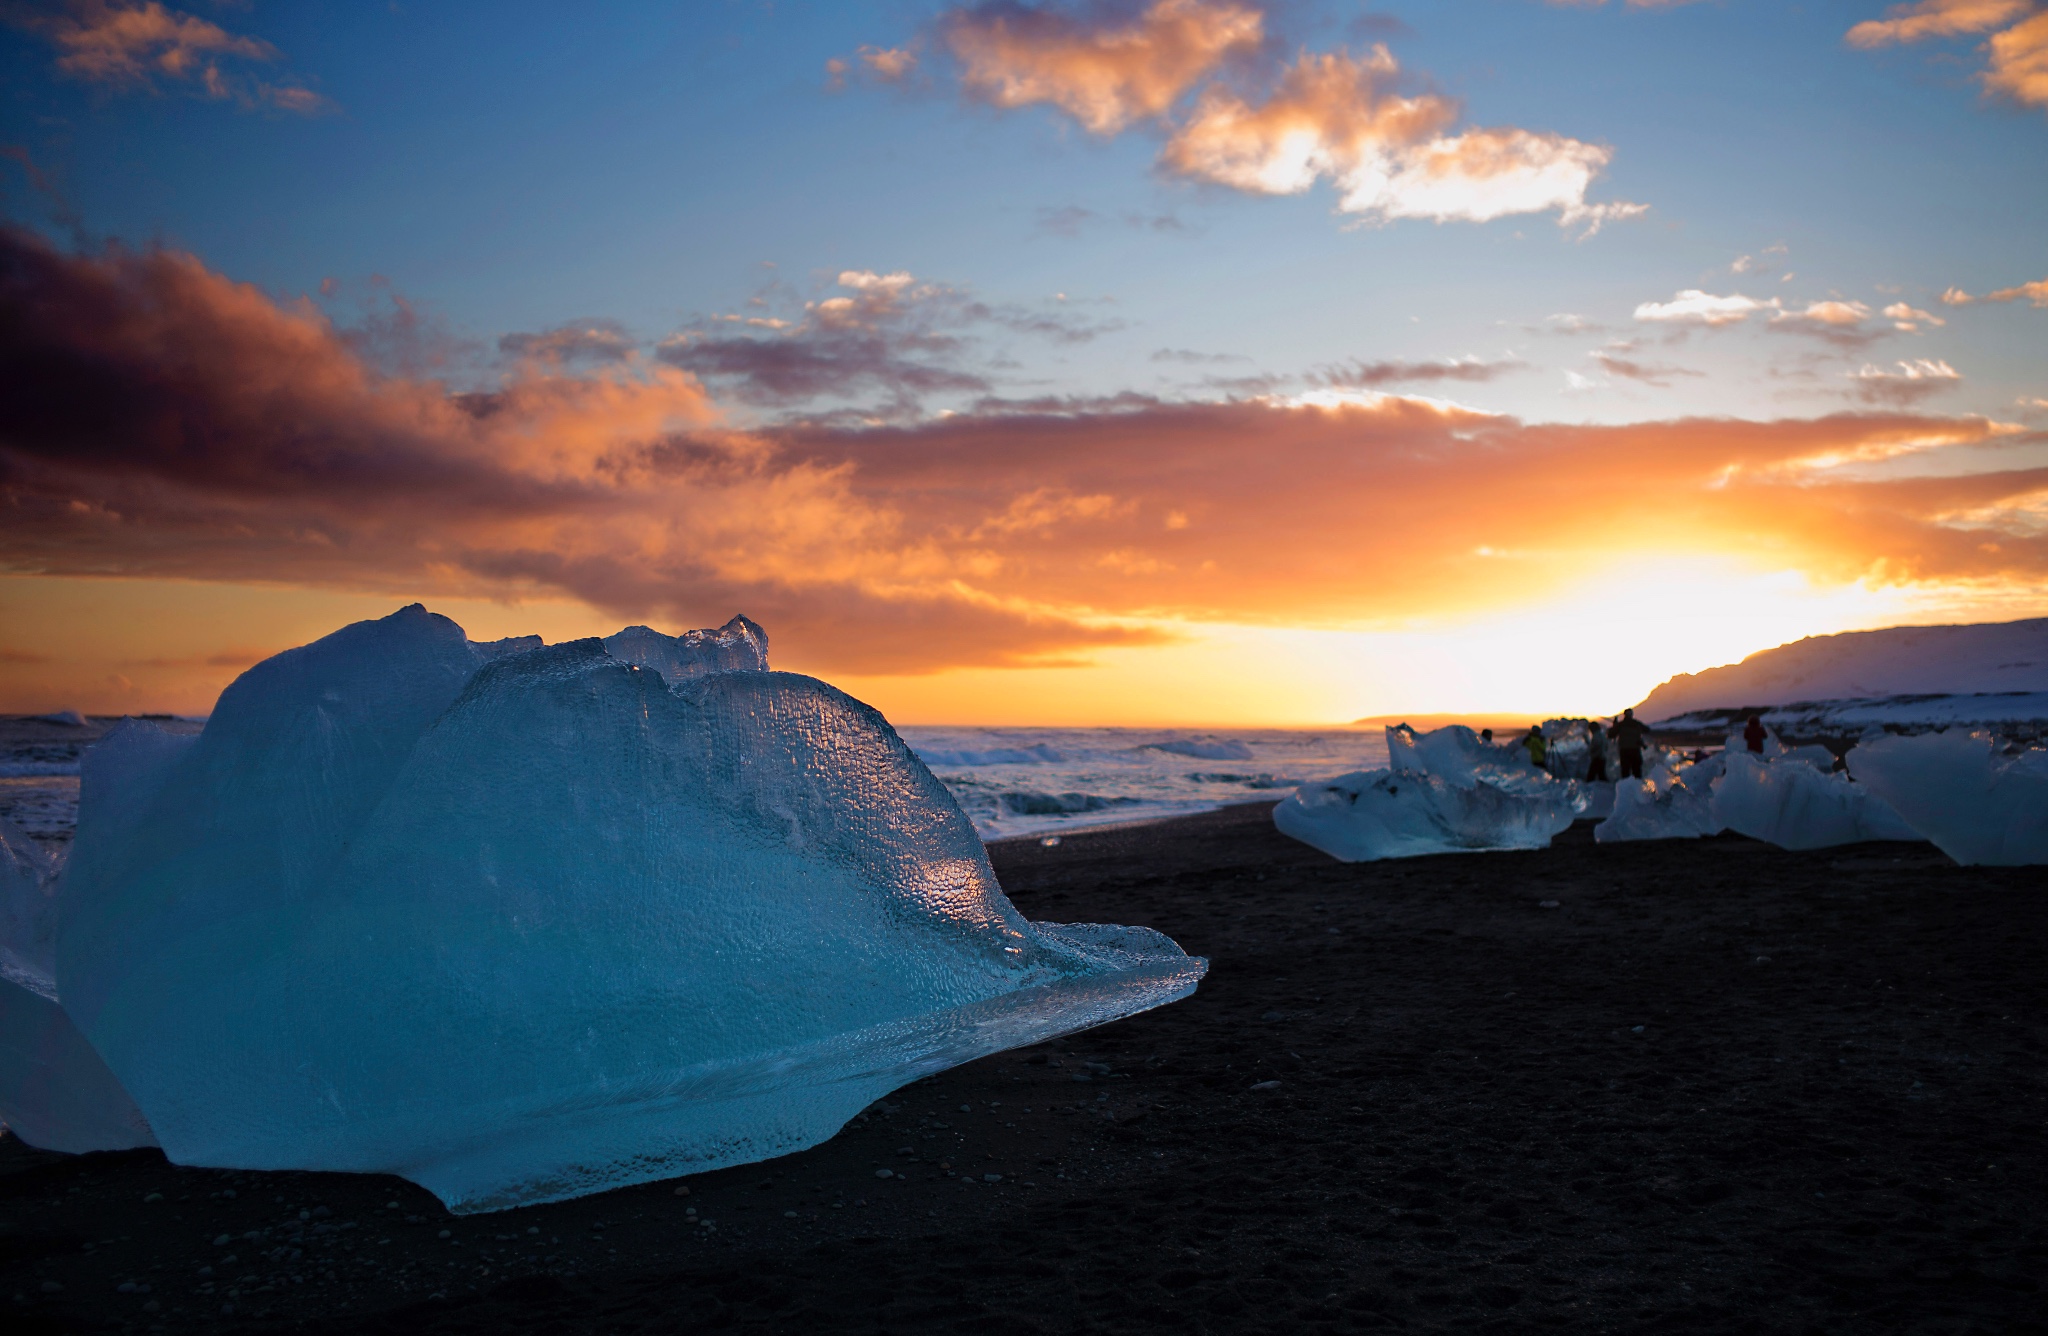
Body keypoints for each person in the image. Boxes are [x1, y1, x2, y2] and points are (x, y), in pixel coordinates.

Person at [1611, 708, 1650, 780]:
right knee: (1637, 772)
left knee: (1625, 772)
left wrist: (1615, 725)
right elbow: (1647, 730)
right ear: (1632, 714)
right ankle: (1638, 788)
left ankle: (1626, 788)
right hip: (1635, 751)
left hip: (1624, 751)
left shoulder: (1620, 725)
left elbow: (1611, 735)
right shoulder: (1636, 724)